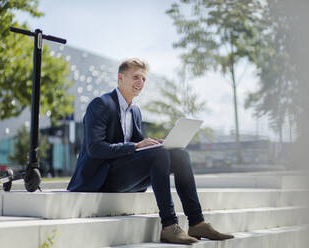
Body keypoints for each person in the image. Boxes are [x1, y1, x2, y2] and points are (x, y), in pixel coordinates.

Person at [67, 58, 234, 244]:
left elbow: (139, 144)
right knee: (159, 154)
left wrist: (156, 143)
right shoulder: (101, 104)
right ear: (120, 78)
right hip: (101, 177)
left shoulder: (135, 111)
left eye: (144, 79)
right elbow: (95, 148)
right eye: (136, 77)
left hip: (124, 173)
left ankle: (197, 222)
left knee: (179, 155)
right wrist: (136, 146)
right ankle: (169, 226)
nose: (140, 83)